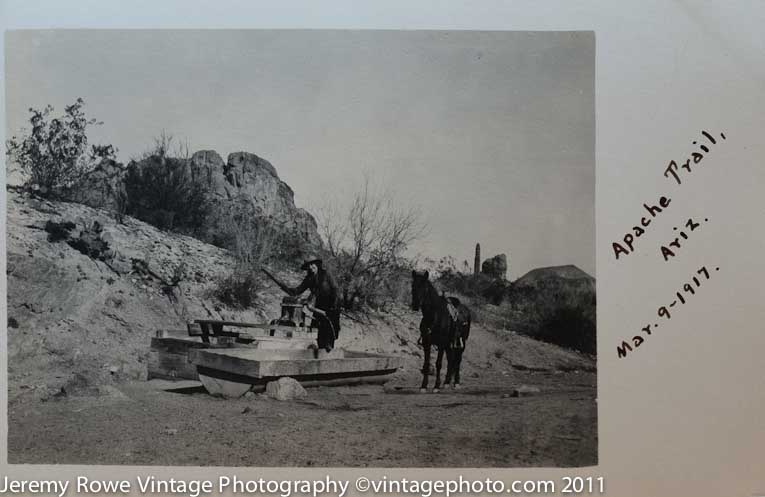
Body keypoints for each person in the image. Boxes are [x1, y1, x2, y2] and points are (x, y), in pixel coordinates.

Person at [288, 256, 341, 353]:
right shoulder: (309, 278)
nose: (311, 267)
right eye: (309, 265)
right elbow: (298, 290)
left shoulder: (326, 274)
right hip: (319, 306)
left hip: (332, 305)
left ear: (317, 265)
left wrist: (334, 306)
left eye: (312, 264)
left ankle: (328, 350)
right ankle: (321, 352)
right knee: (319, 332)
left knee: (330, 332)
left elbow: (335, 289)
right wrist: (289, 289)